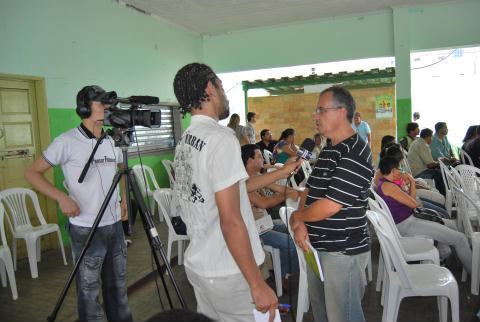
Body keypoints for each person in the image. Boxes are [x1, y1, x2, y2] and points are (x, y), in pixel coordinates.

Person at [172, 63, 302, 322]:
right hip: (230, 271)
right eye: (221, 85)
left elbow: (233, 188)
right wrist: (257, 283)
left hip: (201, 265)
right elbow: (231, 220)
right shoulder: (220, 138)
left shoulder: (186, 139)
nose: (225, 94)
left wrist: (279, 173)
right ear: (210, 88)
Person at [24, 85, 133, 322]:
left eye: (108, 103)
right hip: (86, 228)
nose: (107, 108)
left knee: (118, 289)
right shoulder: (66, 141)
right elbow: (32, 173)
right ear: (84, 108)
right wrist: (62, 197)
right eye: (101, 103)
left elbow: (121, 168)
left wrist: (123, 197)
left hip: (114, 225)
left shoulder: (111, 139)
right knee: (88, 292)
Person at [290, 86, 374, 322]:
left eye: (320, 110)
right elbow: (309, 190)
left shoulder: (356, 151)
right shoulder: (329, 149)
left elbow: (330, 205)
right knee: (323, 313)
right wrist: (300, 222)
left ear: (341, 111)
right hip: (316, 247)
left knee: (343, 316)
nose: (315, 116)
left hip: (341, 251)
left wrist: (298, 218)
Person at [376, 156, 472, 274]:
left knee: (452, 225)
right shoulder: (389, 186)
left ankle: (453, 259)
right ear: (393, 170)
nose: (401, 171)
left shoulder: (385, 183)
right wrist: (411, 181)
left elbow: (411, 201)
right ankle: (474, 275)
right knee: (460, 238)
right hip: (406, 225)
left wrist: (406, 185)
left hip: (407, 221)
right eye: (399, 169)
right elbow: (414, 203)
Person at [241, 144, 300, 283]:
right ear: (249, 161)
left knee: (294, 228)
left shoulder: (256, 176)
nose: (263, 160)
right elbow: (263, 203)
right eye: (259, 156)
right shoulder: (243, 182)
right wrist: (287, 194)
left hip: (264, 222)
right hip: (254, 229)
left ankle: (281, 270)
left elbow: (276, 187)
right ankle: (282, 274)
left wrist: (292, 191)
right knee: (293, 242)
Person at [407, 128, 445, 195]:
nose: (432, 139)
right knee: (439, 174)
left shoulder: (416, 142)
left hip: (413, 171)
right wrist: (441, 161)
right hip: (418, 173)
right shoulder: (423, 144)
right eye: (431, 137)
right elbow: (430, 164)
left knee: (437, 171)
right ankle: (443, 195)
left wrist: (437, 162)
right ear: (428, 137)